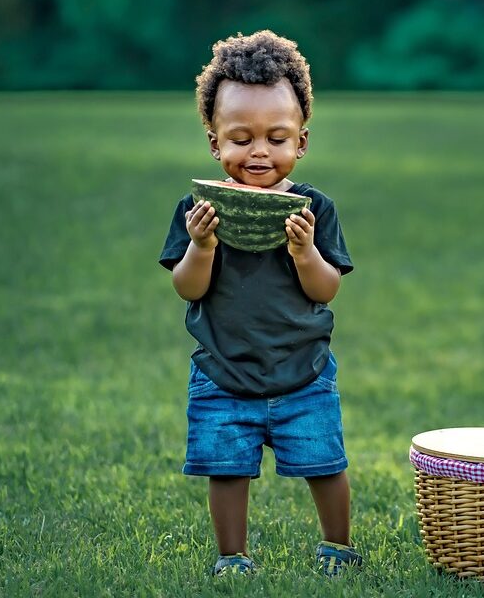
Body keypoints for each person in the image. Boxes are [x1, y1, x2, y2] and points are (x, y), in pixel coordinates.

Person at [159, 30, 360, 577]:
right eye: (240, 138)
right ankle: (233, 557)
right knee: (225, 469)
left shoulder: (315, 208)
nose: (259, 153)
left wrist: (304, 251)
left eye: (276, 138)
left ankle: (337, 546)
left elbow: (326, 289)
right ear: (213, 143)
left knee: (325, 462)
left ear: (302, 142)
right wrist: (201, 246)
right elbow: (188, 288)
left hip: (305, 371)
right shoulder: (198, 208)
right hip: (223, 370)